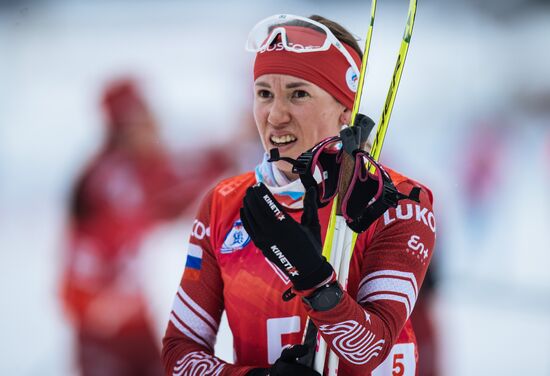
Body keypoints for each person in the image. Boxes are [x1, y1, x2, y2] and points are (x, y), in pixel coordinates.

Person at [161, 14, 436, 376]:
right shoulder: (224, 203)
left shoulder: (396, 201)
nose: (275, 115)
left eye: (298, 94)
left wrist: (313, 279)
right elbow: (179, 353)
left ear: (344, 110)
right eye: (264, 94)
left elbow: (371, 350)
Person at [60, 79, 233, 376]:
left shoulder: (134, 170)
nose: (155, 128)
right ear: (127, 125)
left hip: (133, 323)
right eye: (145, 118)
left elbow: (176, 184)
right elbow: (170, 191)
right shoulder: (113, 179)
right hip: (104, 329)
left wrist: (225, 154)